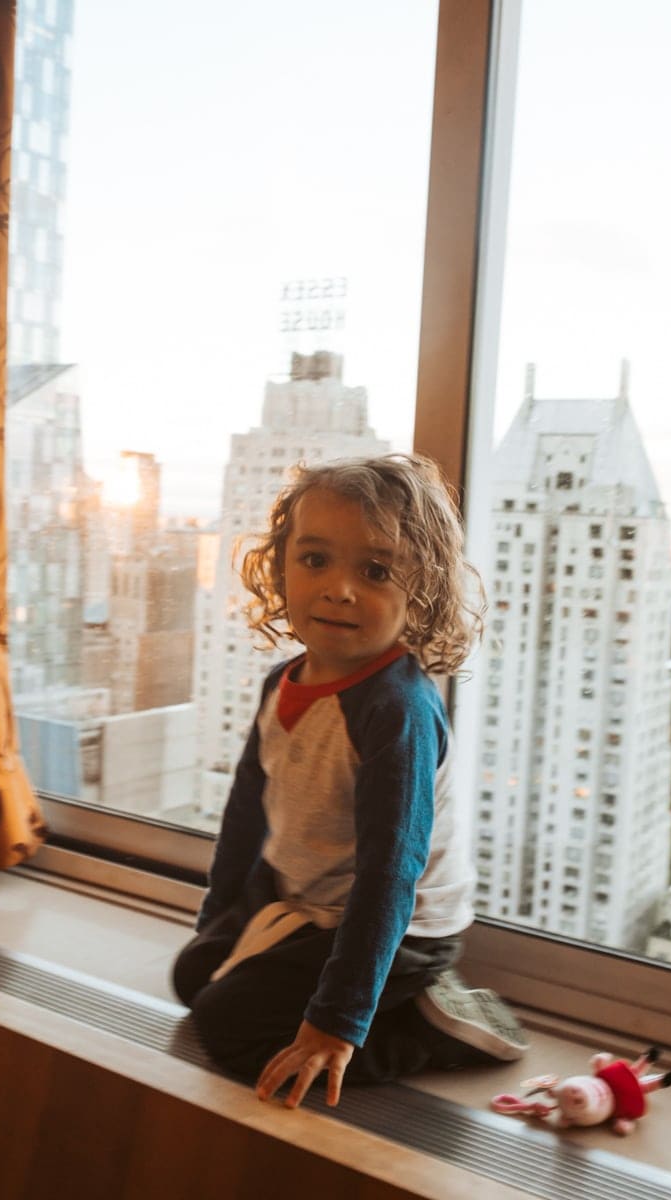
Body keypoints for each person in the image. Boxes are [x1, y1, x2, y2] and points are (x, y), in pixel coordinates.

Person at [173, 453, 527, 1109]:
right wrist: (218, 917)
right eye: (315, 561)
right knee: (194, 977)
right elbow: (247, 814)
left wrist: (335, 1021)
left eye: (375, 570)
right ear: (281, 567)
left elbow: (391, 872)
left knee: (229, 1028)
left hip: (400, 928)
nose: (340, 588)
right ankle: (346, 997)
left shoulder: (396, 709)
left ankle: (428, 1028)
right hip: (306, 896)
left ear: (421, 591)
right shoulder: (282, 683)